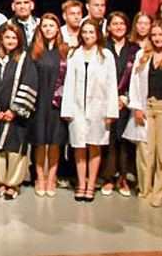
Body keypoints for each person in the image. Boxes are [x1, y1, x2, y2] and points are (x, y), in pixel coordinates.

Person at [61, 20, 118, 202]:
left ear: (97, 34)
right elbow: (68, 83)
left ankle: (91, 185)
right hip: (78, 109)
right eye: (84, 32)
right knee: (79, 147)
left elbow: (112, 85)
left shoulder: (106, 55)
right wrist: (67, 109)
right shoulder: (74, 54)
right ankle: (81, 184)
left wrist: (111, 111)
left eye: (91, 32)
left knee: (94, 146)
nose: (87, 36)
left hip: (99, 109)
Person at [125, 21, 162, 207]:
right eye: (154, 35)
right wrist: (137, 107)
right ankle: (145, 190)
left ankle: (160, 192)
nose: (157, 38)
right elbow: (134, 83)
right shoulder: (142, 55)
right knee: (145, 151)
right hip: (147, 107)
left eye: (161, 35)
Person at [0, 24, 37, 199]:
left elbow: (29, 83)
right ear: (1, 38)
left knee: (15, 148)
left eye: (14, 38)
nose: (10, 41)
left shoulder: (25, 59)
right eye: (7, 37)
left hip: (15, 115)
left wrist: (14, 110)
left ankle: (12, 184)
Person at [28, 14, 68, 197]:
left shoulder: (65, 51)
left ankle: (52, 178)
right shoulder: (35, 50)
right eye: (45, 26)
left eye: (52, 25)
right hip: (39, 101)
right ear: (40, 28)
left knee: (55, 142)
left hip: (58, 103)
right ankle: (40, 178)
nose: (48, 29)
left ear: (58, 28)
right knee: (40, 142)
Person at [100, 12, 139, 197]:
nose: (118, 27)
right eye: (114, 24)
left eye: (122, 24)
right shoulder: (102, 47)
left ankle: (124, 177)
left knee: (123, 141)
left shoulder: (135, 50)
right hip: (104, 101)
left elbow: (138, 78)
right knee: (107, 140)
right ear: (108, 27)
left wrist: (125, 98)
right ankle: (108, 178)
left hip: (125, 102)